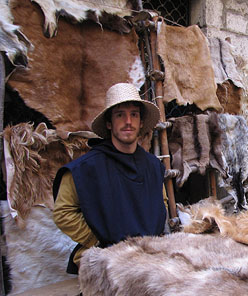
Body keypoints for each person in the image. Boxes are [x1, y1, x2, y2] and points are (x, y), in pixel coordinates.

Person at [53, 83, 167, 274]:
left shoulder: (153, 166)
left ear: (140, 122)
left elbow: (160, 203)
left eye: (134, 114)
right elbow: (63, 212)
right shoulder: (85, 168)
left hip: (147, 257)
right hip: (103, 257)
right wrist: (97, 240)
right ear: (109, 123)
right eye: (120, 114)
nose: (128, 121)